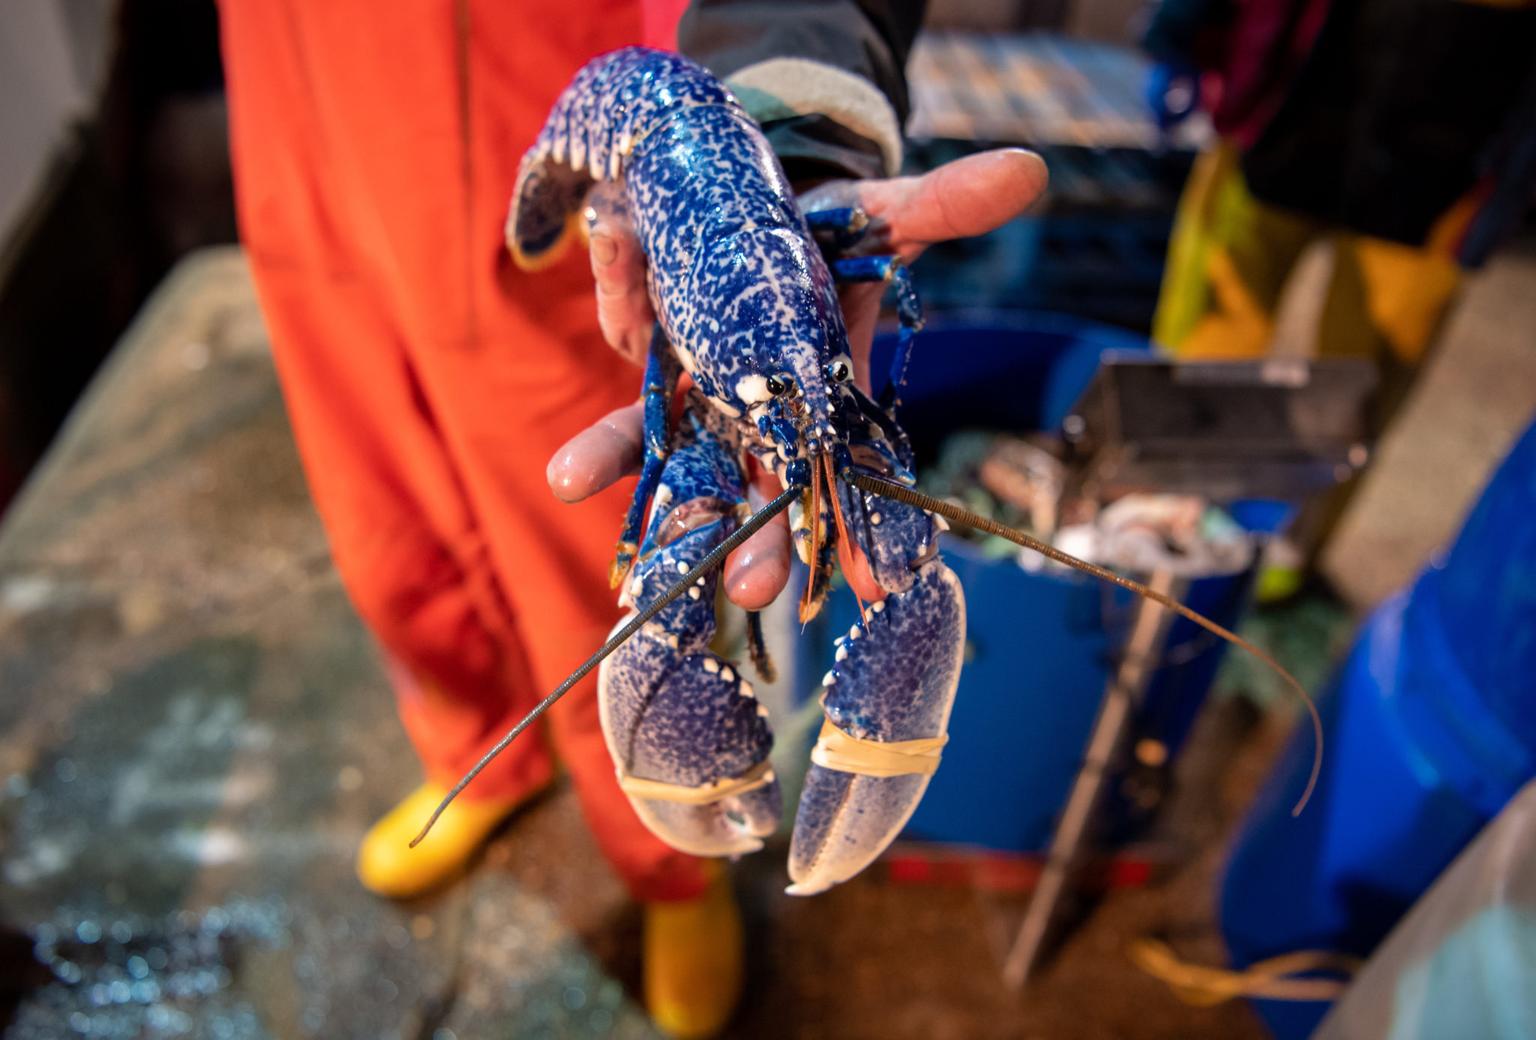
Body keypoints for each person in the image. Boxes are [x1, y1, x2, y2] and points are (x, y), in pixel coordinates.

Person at [217, 2, 1046, 1035]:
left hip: (521, 57)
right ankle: (475, 751)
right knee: (384, 510)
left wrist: (802, 101)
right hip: (299, 86)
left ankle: (670, 870)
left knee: (576, 554)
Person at [1142, 0, 1536, 590]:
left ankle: (1275, 567)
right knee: (1209, 344)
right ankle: (1149, 520)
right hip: (1285, 107)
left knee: (1353, 395)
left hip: (1449, 161)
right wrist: (1180, 30)